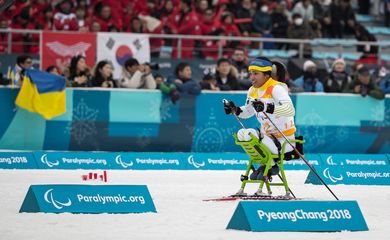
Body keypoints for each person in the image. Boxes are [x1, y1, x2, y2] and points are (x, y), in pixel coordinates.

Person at [223, 57, 296, 191]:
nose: (252, 77)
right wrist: (236, 110)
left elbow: (290, 110)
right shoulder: (252, 90)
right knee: (242, 134)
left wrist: (267, 107)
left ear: (266, 75)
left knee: (251, 133)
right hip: (268, 139)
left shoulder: (276, 88)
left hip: (284, 141)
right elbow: (248, 111)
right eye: (251, 73)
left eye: (256, 74)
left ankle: (272, 165)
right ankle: (269, 165)